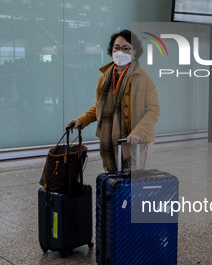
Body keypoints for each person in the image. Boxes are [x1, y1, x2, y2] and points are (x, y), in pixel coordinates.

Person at [67, 30, 160, 172]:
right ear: (111, 50)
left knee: (132, 185)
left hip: (136, 142)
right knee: (115, 185)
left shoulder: (142, 77)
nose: (120, 52)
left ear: (134, 52)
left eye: (126, 48)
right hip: (110, 142)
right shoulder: (104, 78)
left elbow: (153, 111)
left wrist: (137, 132)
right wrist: (81, 120)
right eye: (117, 47)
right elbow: (100, 106)